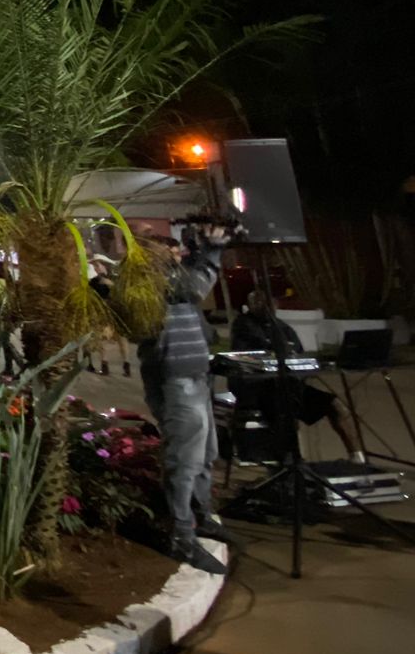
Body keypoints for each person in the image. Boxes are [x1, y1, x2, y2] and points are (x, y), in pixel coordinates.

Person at [136, 228, 239, 574]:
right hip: (175, 380)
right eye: (164, 246)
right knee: (185, 459)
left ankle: (200, 515)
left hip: (196, 376)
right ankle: (181, 534)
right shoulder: (142, 279)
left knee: (206, 454)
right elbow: (194, 288)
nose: (174, 250)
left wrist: (202, 252)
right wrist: (211, 251)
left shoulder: (172, 277)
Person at [230, 289, 363, 461]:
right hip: (260, 389)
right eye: (258, 302)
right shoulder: (243, 325)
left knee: (336, 405)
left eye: (269, 302)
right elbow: (247, 358)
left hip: (291, 386)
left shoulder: (283, 327)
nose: (265, 307)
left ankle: (357, 457)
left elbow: (297, 354)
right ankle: (289, 463)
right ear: (250, 306)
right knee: (284, 412)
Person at [82, 255, 131, 377]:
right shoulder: (99, 281)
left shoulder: (98, 282)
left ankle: (109, 366)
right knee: (117, 340)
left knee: (107, 340)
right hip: (112, 313)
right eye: (96, 264)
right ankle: (121, 366)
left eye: (99, 264)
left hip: (107, 313)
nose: (97, 266)